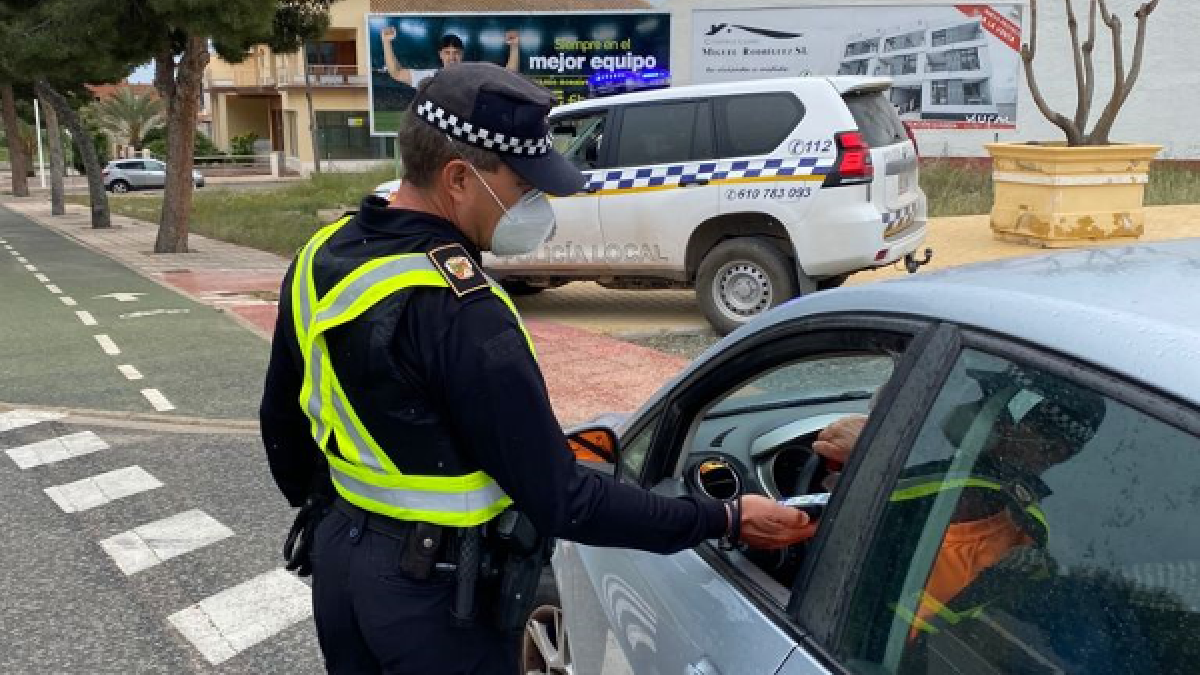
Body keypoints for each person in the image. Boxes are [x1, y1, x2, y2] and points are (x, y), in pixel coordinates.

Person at [259, 63, 816, 675]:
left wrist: (345, 517)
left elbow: (282, 424)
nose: (535, 203)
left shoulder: (325, 252)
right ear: (458, 178)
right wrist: (725, 517)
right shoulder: (465, 312)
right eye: (525, 185)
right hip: (438, 604)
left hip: (342, 569)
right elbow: (563, 500)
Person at [811, 372, 1107, 636]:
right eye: (989, 401)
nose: (989, 414)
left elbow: (834, 541)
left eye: (1011, 411)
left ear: (1054, 451)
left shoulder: (973, 507)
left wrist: (872, 456)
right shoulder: (995, 492)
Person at [380, 27, 520, 88]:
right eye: (447, 52)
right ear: (440, 55)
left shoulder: (475, 78)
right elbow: (396, 72)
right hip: (440, 144)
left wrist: (514, 47)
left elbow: (508, 75)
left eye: (456, 52)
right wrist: (386, 42)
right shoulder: (429, 77)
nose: (452, 57)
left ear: (462, 54)